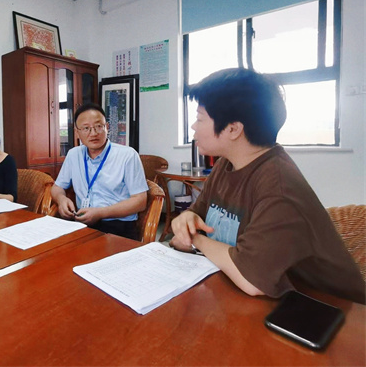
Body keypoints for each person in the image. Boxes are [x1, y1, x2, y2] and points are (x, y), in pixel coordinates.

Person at [170, 68, 365, 304]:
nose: (193, 126)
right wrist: (185, 220)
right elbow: (194, 218)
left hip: (330, 311)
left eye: (200, 118)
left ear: (233, 129)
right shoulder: (225, 165)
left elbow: (251, 281)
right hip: (262, 300)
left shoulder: (279, 187)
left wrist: (196, 240)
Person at [51, 103, 148, 240]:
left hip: (118, 225)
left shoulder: (127, 155)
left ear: (107, 127)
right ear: (77, 132)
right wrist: (61, 200)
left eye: (98, 126)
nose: (93, 133)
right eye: (86, 128)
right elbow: (57, 187)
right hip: (82, 221)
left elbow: (140, 201)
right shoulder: (74, 155)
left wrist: (100, 213)